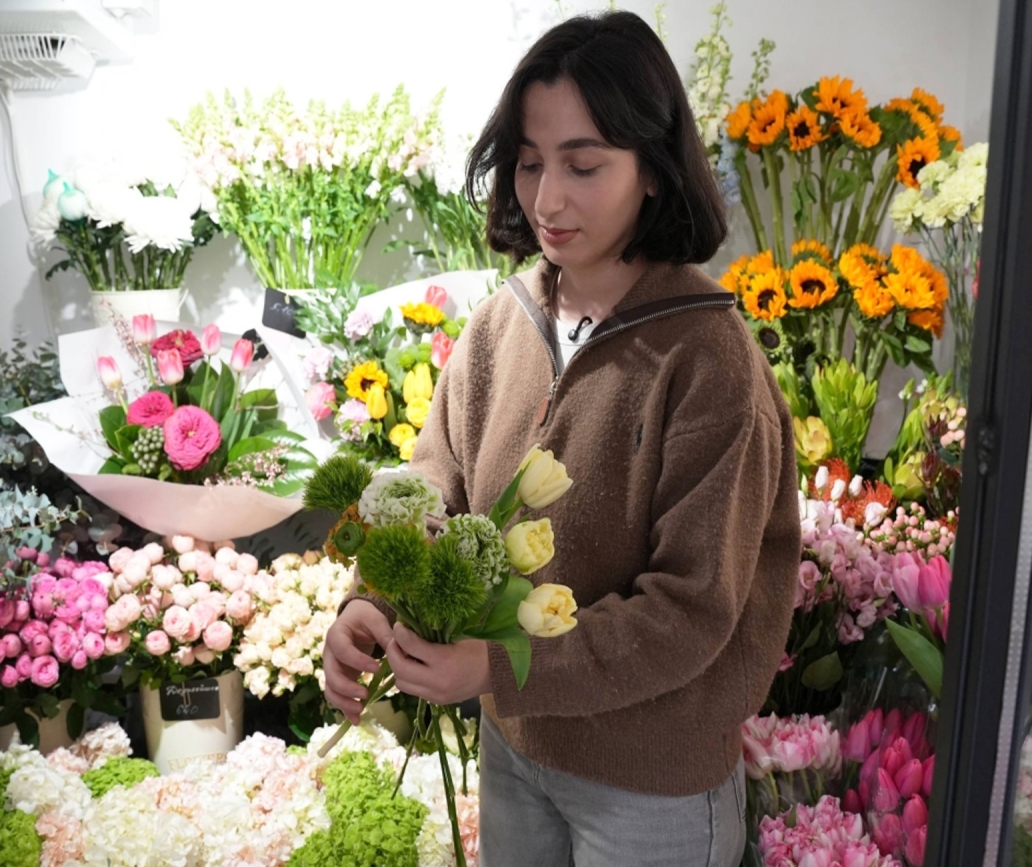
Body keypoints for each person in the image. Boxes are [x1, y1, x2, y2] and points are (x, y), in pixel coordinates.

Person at [322, 10, 800, 866]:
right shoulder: (501, 324)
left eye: (583, 165)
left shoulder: (709, 359)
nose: (546, 200)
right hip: (517, 751)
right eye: (529, 162)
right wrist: (373, 602)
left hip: (651, 785)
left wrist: (498, 666)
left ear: (653, 170)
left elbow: (689, 610)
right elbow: (436, 487)